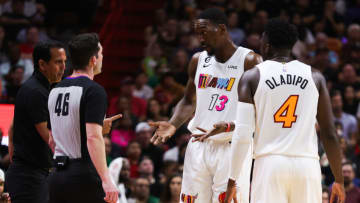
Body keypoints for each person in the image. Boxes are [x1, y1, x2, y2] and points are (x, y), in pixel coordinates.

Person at [214, 18, 345, 203]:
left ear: (266, 45)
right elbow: (330, 133)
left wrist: (232, 179)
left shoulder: (252, 76)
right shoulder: (315, 76)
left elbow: (243, 134)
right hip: (307, 166)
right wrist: (339, 179)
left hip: (269, 164)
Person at [149, 8, 262, 203]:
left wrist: (229, 125)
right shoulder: (197, 60)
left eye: (204, 33)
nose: (200, 39)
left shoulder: (249, 60)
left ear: (221, 29)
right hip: (198, 144)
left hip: (231, 146)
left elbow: (260, 110)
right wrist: (173, 123)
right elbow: (188, 100)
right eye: (197, 34)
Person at [47, 33, 119, 203]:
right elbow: (92, 137)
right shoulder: (94, 90)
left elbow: (52, 140)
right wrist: (107, 180)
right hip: (84, 175)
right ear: (93, 60)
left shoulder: (54, 90)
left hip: (57, 176)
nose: (102, 58)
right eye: (101, 55)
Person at [5, 40, 66, 203]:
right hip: (28, 179)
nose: (63, 67)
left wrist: (14, 151)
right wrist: (90, 133)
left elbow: (13, 126)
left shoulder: (44, 88)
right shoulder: (36, 92)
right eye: (58, 62)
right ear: (42, 64)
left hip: (33, 174)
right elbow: (50, 138)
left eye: (64, 62)